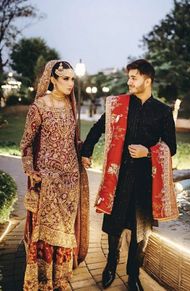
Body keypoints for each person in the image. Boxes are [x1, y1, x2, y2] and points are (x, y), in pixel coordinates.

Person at [81, 59, 178, 291]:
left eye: (133, 77)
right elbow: (98, 128)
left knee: (139, 232)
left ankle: (133, 274)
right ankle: (111, 264)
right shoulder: (120, 105)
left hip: (146, 181)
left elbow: (171, 147)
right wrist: (87, 150)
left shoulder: (163, 111)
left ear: (147, 80)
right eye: (129, 77)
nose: (129, 82)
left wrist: (148, 153)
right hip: (119, 177)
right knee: (114, 226)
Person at [20, 60, 89, 290]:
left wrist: (83, 154)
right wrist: (31, 171)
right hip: (47, 181)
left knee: (65, 230)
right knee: (45, 232)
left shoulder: (70, 105)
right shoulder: (39, 106)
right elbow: (26, 145)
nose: (70, 83)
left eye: (72, 79)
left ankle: (60, 278)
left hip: (70, 180)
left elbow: (72, 141)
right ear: (52, 80)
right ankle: (43, 279)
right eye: (65, 79)